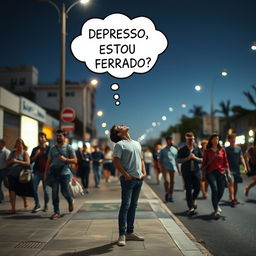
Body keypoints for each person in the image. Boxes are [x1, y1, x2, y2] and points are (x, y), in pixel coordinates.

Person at [110, 125, 146, 246]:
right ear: (119, 134)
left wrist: (144, 172)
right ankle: (122, 234)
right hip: (128, 180)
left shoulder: (136, 143)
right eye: (119, 127)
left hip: (138, 180)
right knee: (125, 205)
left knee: (133, 206)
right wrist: (125, 174)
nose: (122, 125)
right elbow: (115, 161)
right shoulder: (120, 145)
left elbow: (141, 159)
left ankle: (130, 233)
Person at [44, 129, 77, 220]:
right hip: (54, 173)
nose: (58, 137)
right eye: (57, 136)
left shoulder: (69, 147)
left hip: (65, 173)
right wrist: (45, 174)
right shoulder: (53, 148)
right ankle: (56, 212)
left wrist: (65, 159)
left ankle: (70, 201)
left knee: (64, 191)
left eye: (60, 136)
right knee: (54, 193)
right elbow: (48, 162)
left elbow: (75, 160)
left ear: (64, 137)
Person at [202, 134, 232, 218]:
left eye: (217, 139)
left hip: (221, 172)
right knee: (214, 190)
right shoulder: (207, 150)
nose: (216, 140)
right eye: (214, 139)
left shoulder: (222, 149)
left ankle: (216, 203)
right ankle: (216, 209)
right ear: (211, 140)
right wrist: (203, 173)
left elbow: (226, 162)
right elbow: (204, 162)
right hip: (211, 173)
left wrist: (228, 174)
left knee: (221, 191)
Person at [177, 132, 203, 215]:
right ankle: (190, 207)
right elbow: (178, 160)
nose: (190, 141)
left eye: (192, 139)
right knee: (188, 189)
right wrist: (187, 158)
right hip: (186, 172)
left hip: (196, 171)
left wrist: (195, 158)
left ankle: (193, 199)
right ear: (186, 139)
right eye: (189, 139)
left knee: (198, 187)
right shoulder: (182, 149)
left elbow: (202, 159)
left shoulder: (197, 149)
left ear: (194, 139)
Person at [6, 138, 30, 214]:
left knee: (21, 191)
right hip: (12, 175)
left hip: (21, 175)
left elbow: (27, 163)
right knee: (12, 190)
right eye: (18, 143)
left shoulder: (25, 153)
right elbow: (7, 162)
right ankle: (13, 208)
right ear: (16, 145)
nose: (19, 145)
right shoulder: (12, 153)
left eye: (21, 144)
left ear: (23, 145)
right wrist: (11, 161)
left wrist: (16, 161)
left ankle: (25, 200)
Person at [30, 132, 50, 213]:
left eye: (42, 137)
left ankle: (46, 204)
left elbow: (51, 160)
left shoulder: (49, 149)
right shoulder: (35, 149)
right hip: (37, 172)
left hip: (46, 172)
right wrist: (36, 155)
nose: (40, 138)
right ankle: (37, 204)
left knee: (45, 190)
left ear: (45, 139)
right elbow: (31, 161)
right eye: (39, 137)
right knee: (34, 189)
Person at [225, 133, 247, 205]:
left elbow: (241, 158)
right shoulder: (226, 149)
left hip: (236, 169)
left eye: (234, 138)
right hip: (229, 169)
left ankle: (234, 197)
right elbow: (224, 160)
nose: (233, 140)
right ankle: (232, 198)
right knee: (231, 182)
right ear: (229, 140)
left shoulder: (239, 148)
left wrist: (245, 166)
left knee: (235, 184)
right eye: (231, 138)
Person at [159, 136, 180, 202]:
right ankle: (167, 193)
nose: (172, 142)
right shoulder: (163, 150)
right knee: (167, 181)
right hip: (165, 168)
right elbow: (160, 160)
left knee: (172, 182)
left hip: (173, 168)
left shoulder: (175, 150)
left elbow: (176, 160)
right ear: (167, 141)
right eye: (170, 140)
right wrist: (161, 168)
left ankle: (170, 195)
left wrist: (179, 169)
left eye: (172, 140)